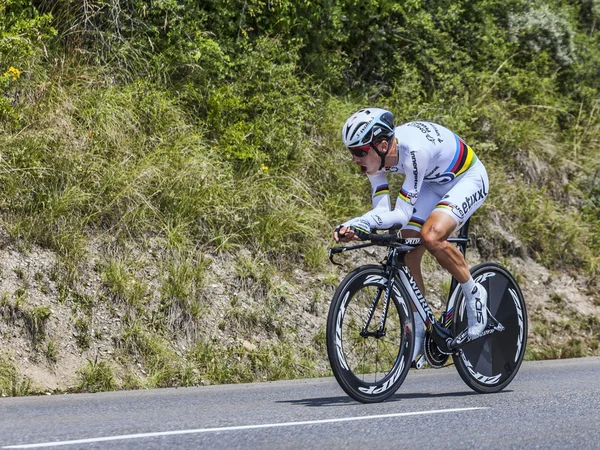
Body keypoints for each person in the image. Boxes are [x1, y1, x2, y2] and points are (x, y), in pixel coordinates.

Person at [334, 107, 489, 366]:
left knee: (431, 236)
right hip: (433, 182)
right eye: (351, 152)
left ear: (383, 145)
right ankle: (419, 327)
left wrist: (360, 224)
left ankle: (475, 295)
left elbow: (401, 215)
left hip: (466, 178)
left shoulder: (414, 152)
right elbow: (382, 211)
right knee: (406, 250)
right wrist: (357, 225)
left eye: (359, 152)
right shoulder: (377, 159)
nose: (354, 159)